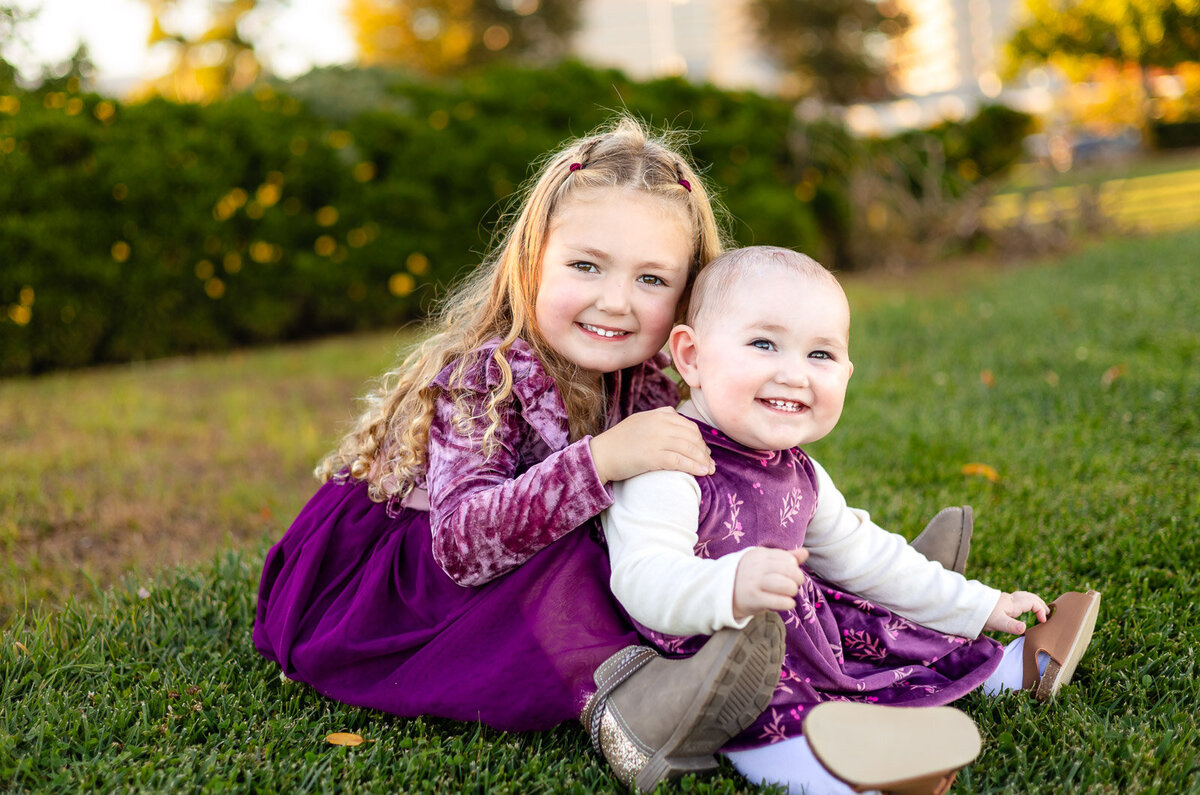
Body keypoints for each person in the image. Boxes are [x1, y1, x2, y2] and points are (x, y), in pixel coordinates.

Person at [253, 117, 793, 791]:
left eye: (652, 279)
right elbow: (460, 545)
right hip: (400, 583)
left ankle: (871, 608)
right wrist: (601, 461)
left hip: (509, 563)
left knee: (691, 512)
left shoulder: (651, 379)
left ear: (688, 296)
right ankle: (633, 711)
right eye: (586, 266)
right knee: (575, 556)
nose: (616, 301)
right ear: (532, 260)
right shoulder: (484, 374)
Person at [599, 246, 1102, 794]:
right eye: (763, 344)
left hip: (804, 629)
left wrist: (980, 603)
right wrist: (732, 585)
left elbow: (866, 558)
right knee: (765, 696)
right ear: (691, 357)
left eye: (821, 355)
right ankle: (832, 775)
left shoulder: (801, 471)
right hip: (714, 651)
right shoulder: (668, 461)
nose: (793, 374)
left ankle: (1009, 673)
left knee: (877, 623)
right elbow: (641, 577)